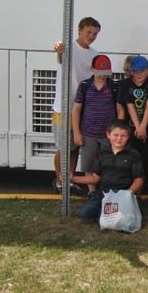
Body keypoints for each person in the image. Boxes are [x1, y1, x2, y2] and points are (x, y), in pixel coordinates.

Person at [51, 16, 100, 192]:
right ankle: (59, 180)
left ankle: (69, 179)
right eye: (89, 32)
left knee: (74, 148)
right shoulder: (68, 48)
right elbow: (59, 52)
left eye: (95, 34)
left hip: (82, 109)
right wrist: (58, 50)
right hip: (63, 109)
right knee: (63, 148)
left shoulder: (94, 54)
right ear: (80, 30)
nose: (92, 36)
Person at [72, 120, 144, 223]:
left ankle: (109, 214)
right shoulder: (102, 154)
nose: (119, 139)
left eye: (123, 136)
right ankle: (104, 213)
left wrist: (127, 194)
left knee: (110, 218)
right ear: (108, 135)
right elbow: (94, 178)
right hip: (103, 194)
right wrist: (73, 178)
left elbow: (139, 180)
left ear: (128, 137)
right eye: (116, 135)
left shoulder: (133, 155)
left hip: (123, 194)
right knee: (85, 214)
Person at [72, 54, 124, 178]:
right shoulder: (84, 86)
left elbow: (120, 110)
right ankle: (92, 192)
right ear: (92, 69)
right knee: (88, 166)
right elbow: (76, 109)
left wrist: (118, 134)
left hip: (108, 135)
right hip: (88, 133)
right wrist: (76, 133)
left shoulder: (114, 86)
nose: (103, 75)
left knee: (109, 165)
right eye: (100, 71)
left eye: (106, 72)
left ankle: (105, 192)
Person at [119, 55, 148, 184]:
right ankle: (130, 192)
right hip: (131, 128)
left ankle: (139, 193)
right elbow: (129, 107)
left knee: (146, 161)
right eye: (135, 71)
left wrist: (143, 127)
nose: (139, 74)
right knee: (131, 160)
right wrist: (137, 127)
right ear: (131, 71)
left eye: (142, 71)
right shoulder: (125, 84)